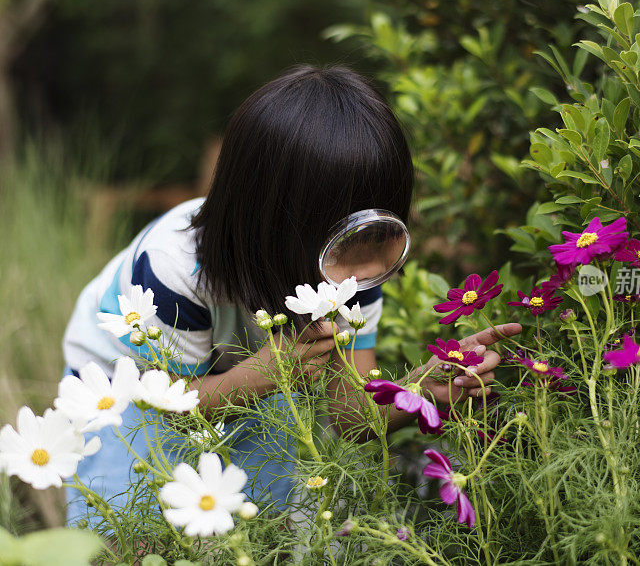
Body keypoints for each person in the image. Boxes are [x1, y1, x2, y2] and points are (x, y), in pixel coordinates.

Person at [62, 64, 521, 526]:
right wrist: (267, 373)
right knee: (127, 520)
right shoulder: (171, 271)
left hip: (259, 370)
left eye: (381, 239)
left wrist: (422, 390)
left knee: (277, 513)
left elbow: (348, 415)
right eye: (347, 243)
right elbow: (175, 410)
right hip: (128, 384)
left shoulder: (357, 277)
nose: (364, 272)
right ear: (269, 226)